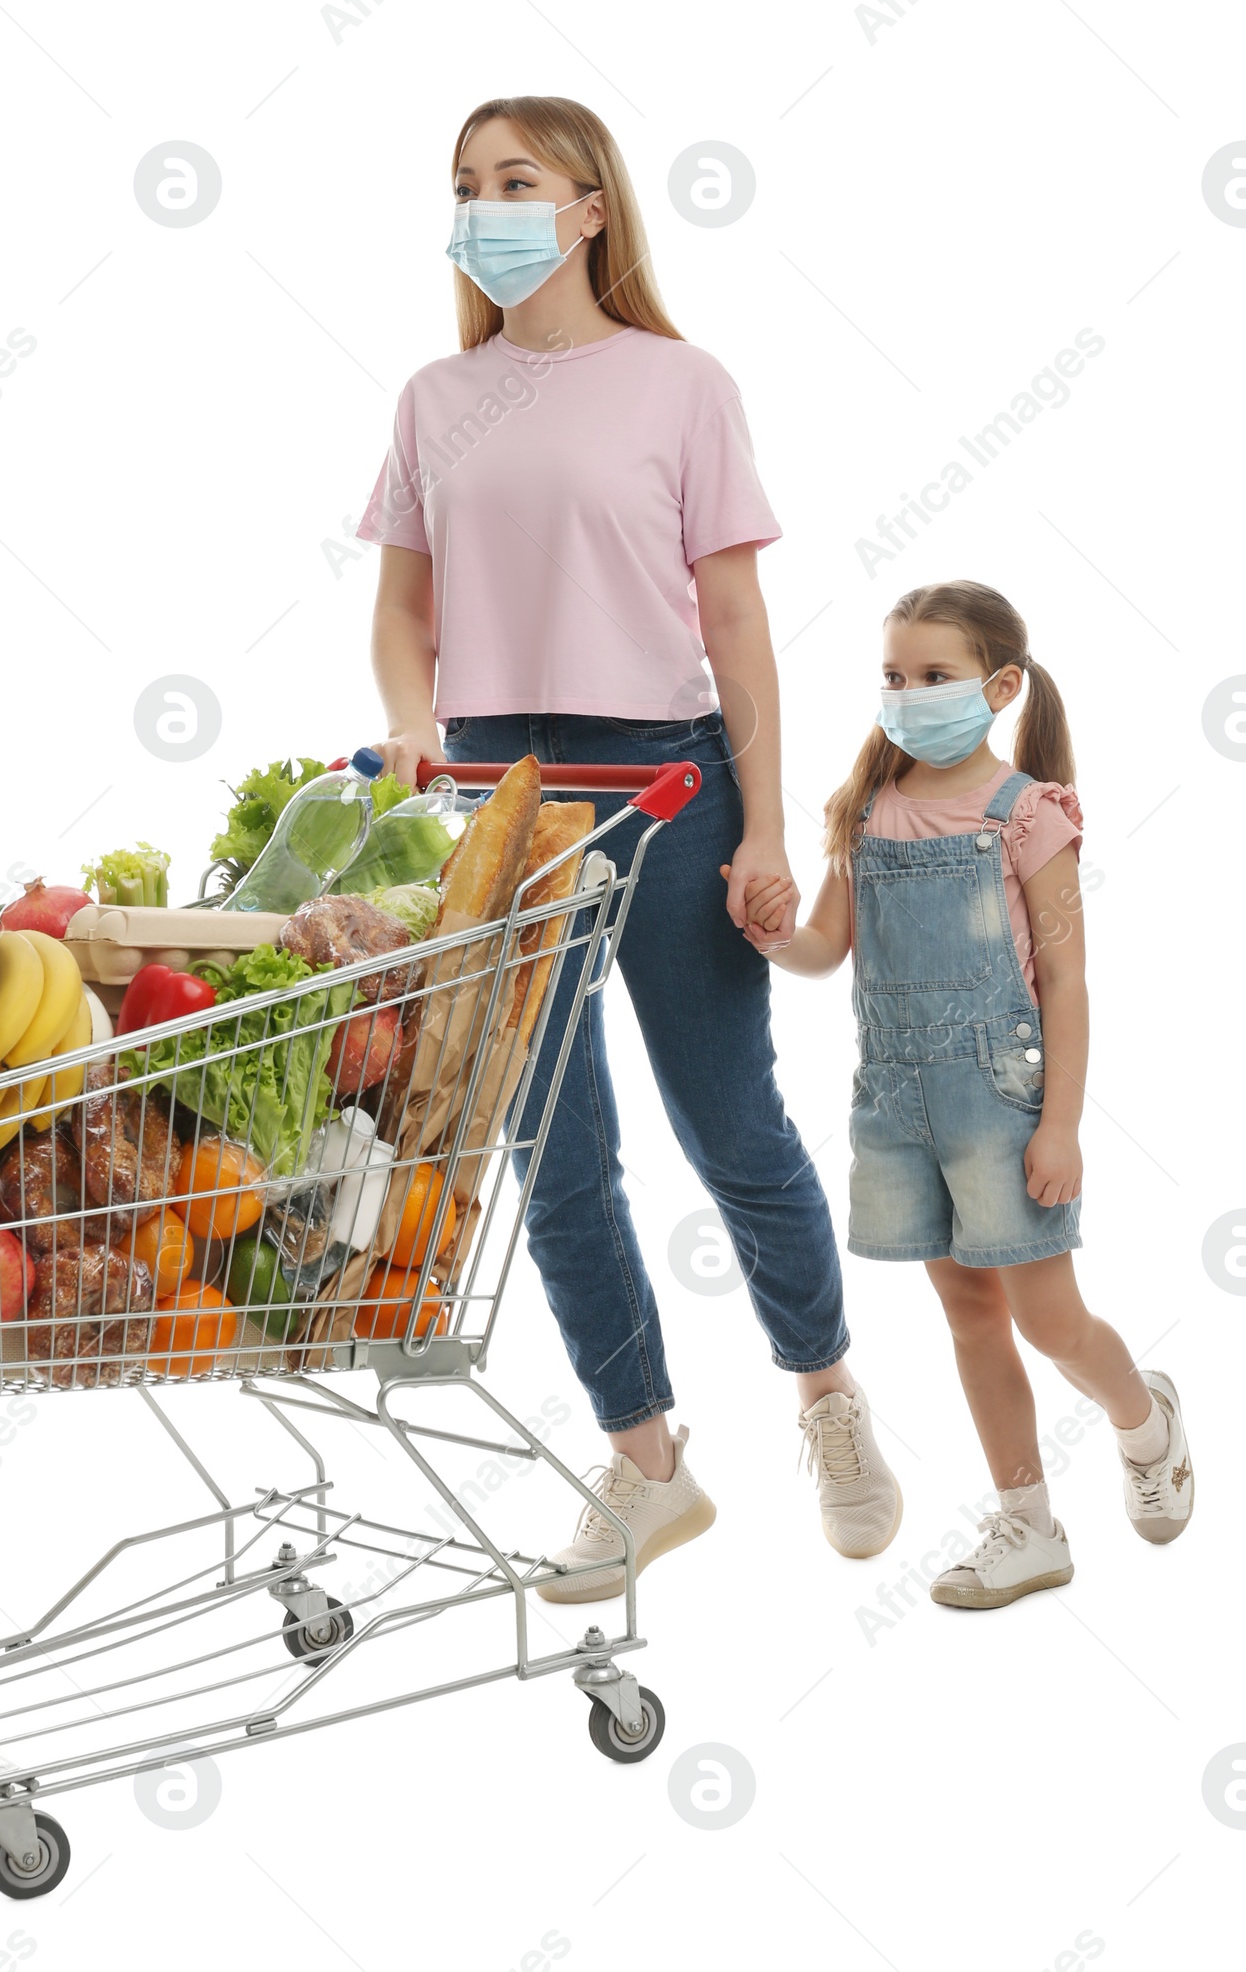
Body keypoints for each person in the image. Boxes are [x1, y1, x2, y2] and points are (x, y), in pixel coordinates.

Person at [356, 93, 902, 1601]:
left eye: (516, 179)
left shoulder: (682, 385)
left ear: (592, 206)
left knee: (730, 1124)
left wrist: (768, 825)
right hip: (499, 802)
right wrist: (414, 723)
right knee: (554, 1148)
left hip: (665, 786)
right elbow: (405, 615)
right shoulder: (432, 398)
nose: (485, 206)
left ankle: (827, 1391)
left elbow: (734, 624)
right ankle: (647, 1459)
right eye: (466, 184)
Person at [748, 580, 1193, 1606]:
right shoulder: (868, 810)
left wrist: (1063, 1124)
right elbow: (827, 946)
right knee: (968, 1312)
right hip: (895, 1102)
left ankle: (1144, 1420)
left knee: (1047, 1316)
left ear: (996, 686)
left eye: (933, 676)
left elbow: (1066, 980)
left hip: (1001, 1099)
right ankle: (1025, 1523)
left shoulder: (1025, 815)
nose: (906, 694)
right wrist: (775, 932)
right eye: (893, 676)